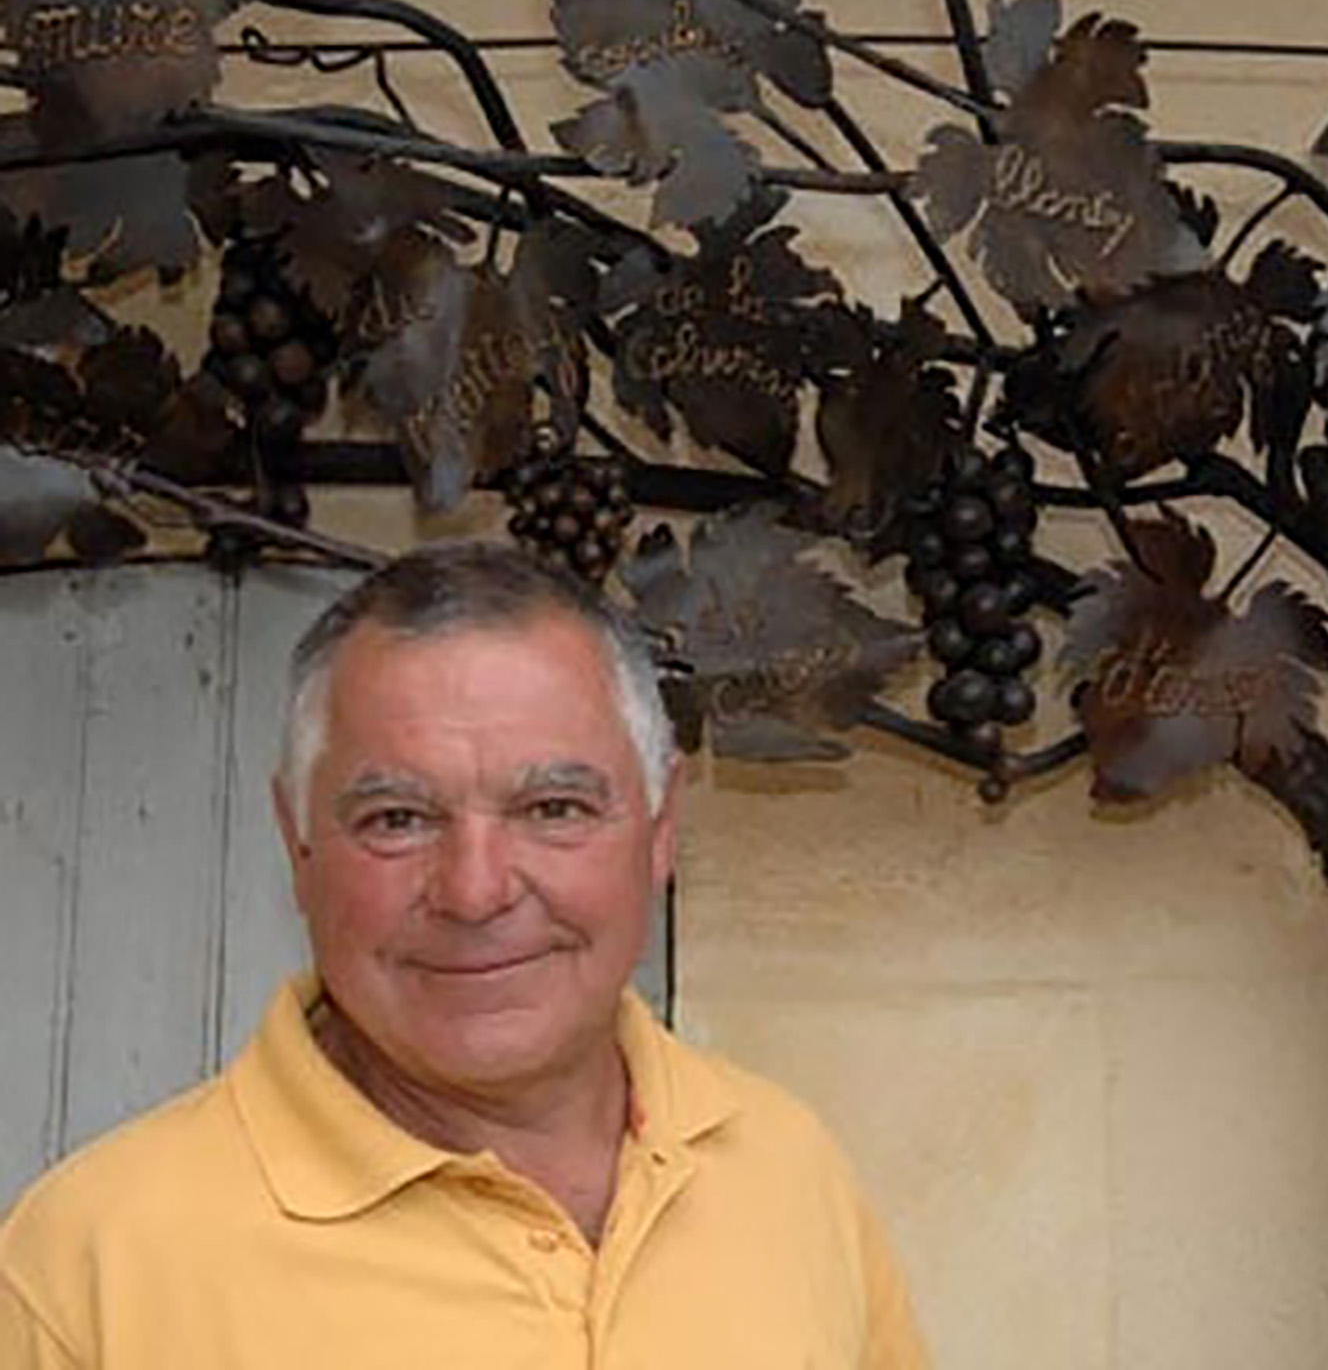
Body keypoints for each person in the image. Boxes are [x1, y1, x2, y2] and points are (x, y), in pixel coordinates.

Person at [0, 542, 927, 1369]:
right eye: (398, 819)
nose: (476, 892)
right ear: (298, 844)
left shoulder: (787, 1171)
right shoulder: (87, 1270)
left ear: (660, 830)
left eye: (553, 809)